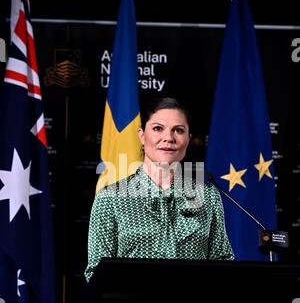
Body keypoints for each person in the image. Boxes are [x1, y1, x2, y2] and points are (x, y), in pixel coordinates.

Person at [84, 97, 234, 282]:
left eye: (178, 130)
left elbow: (223, 263)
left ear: (188, 138)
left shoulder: (208, 196)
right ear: (142, 135)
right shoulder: (110, 198)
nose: (168, 138)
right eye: (157, 128)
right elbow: (96, 273)